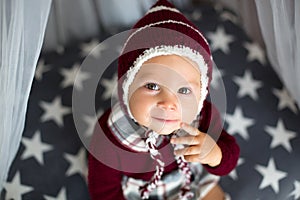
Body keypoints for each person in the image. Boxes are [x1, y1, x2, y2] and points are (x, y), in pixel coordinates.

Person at [88, 0, 240, 199]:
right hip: (142, 192)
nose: (168, 103)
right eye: (152, 86)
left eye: (184, 90)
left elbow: (230, 156)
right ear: (126, 88)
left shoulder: (203, 117)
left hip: (191, 180)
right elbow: (103, 191)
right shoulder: (111, 136)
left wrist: (214, 154)